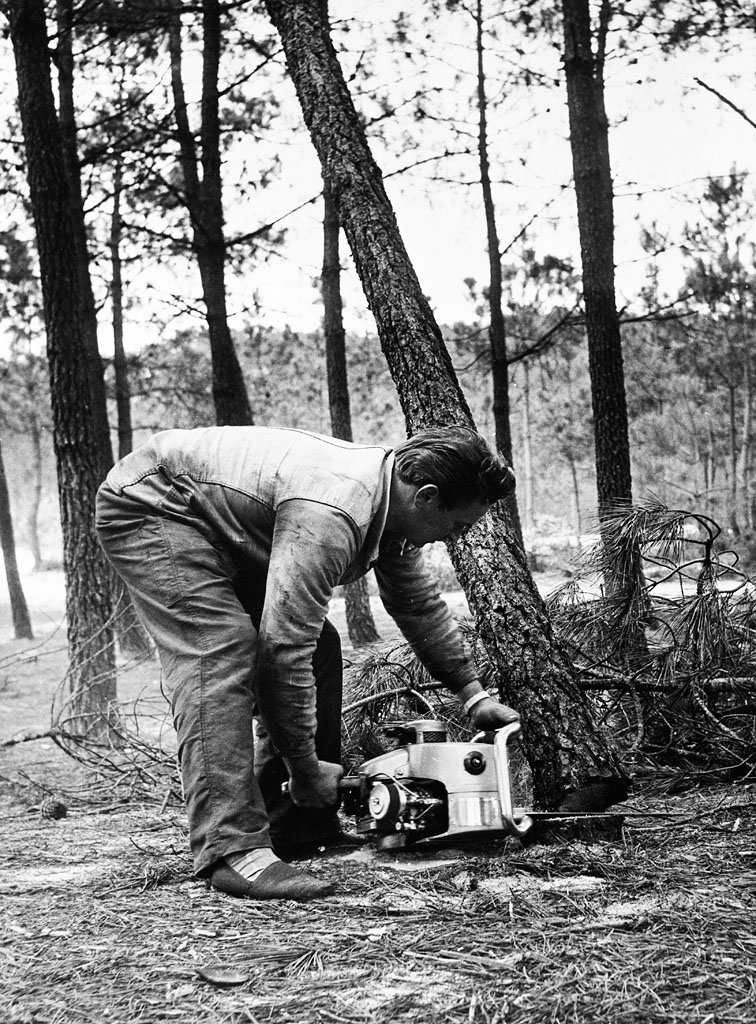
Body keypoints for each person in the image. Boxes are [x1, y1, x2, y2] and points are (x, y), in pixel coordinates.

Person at [96, 423, 520, 901]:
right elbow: (281, 649)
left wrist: (473, 695)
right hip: (155, 504)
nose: (450, 538)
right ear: (425, 497)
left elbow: (417, 605)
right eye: (457, 525)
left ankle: (296, 825)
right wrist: (304, 767)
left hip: (220, 522)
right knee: (217, 651)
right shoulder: (333, 512)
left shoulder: (393, 509)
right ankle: (233, 851)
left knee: (320, 645)